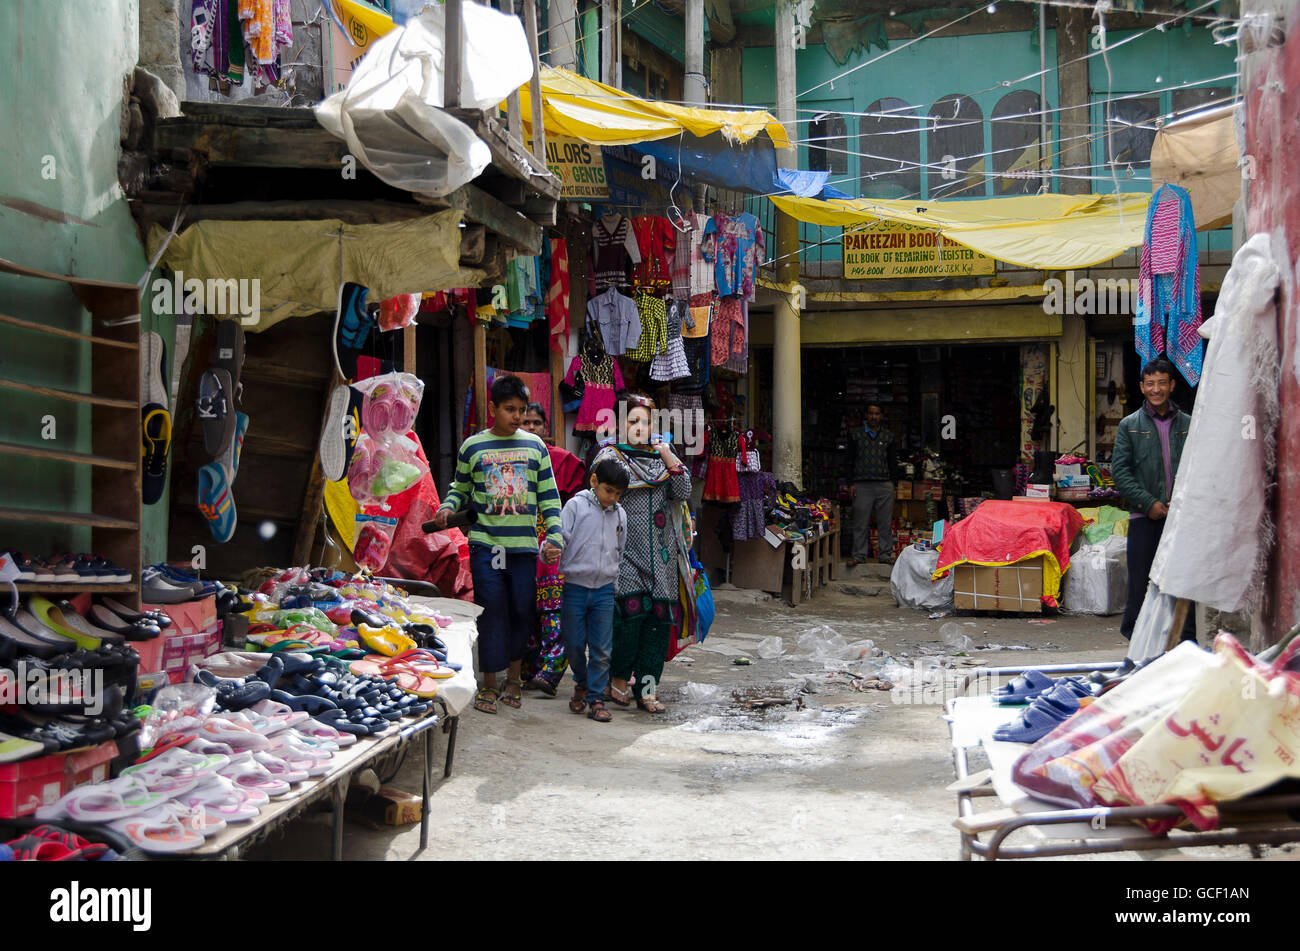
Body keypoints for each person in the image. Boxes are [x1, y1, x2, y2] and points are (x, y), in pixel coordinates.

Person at [432, 375, 563, 714]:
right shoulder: (472, 446)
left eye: (521, 410)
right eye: (510, 409)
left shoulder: (536, 447)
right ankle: (489, 683)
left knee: (521, 609)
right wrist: (448, 507)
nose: (517, 416)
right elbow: (459, 487)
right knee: (491, 612)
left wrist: (555, 534)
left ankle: (513, 680)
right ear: (492, 408)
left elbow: (549, 496)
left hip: (522, 548)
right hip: (487, 545)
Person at [593, 396, 691, 713]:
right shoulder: (609, 457)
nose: (640, 428)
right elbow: (601, 490)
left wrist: (666, 455)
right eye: (633, 421)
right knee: (628, 620)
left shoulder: (663, 456)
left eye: (646, 422)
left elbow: (683, 491)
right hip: (624, 554)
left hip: (662, 555)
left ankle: (648, 690)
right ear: (620, 424)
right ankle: (618, 681)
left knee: (658, 625)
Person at [1111, 356, 1195, 642]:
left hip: (1181, 518)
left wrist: (1180, 504)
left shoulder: (1189, 424)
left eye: (1162, 383)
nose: (1156, 389)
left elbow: (1199, 466)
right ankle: (1136, 641)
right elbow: (1120, 473)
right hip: (1144, 518)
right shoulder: (1129, 425)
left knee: (1183, 583)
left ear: (1171, 385)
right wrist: (1149, 504)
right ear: (1142, 387)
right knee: (1141, 584)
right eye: (1150, 384)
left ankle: (1185, 643)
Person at [519, 403, 588, 695]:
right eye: (525, 422)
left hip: (552, 549)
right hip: (520, 546)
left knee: (553, 611)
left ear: (546, 428)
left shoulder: (563, 462)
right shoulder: (509, 460)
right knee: (525, 610)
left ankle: (551, 671)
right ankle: (530, 667)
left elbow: (577, 508)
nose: (531, 428)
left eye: (536, 423)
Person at [559, 458, 629, 723]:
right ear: (594, 482)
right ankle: (582, 681)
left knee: (601, 649)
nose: (612, 498)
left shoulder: (620, 514)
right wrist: (549, 551)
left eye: (618, 494)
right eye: (608, 491)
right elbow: (561, 538)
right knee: (574, 644)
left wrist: (615, 585)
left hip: (604, 590)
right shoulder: (575, 506)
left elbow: (619, 551)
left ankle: (596, 697)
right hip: (575, 586)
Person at [848, 403, 899, 566]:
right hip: (862, 484)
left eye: (877, 414)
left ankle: (885, 554)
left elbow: (893, 463)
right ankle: (859, 555)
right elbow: (848, 461)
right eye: (870, 413)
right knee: (860, 522)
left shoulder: (888, 436)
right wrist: (850, 483)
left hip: (884, 484)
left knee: (885, 521)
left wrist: (894, 485)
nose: (873, 417)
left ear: (881, 416)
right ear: (866, 415)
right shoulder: (855, 435)